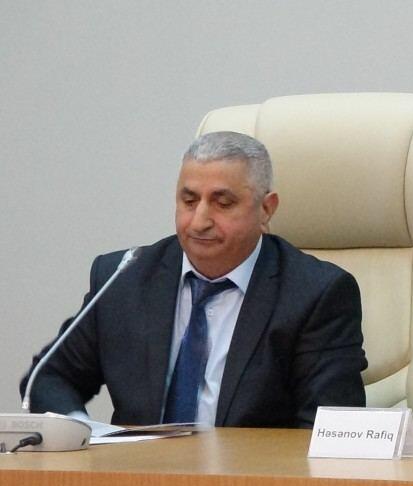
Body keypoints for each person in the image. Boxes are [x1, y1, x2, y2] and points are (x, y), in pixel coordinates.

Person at [20, 131, 367, 427]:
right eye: (189, 201)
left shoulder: (316, 294)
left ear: (266, 209)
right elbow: (48, 377)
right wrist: (78, 431)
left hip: (252, 481)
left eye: (222, 203)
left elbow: (327, 430)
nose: (199, 221)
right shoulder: (124, 279)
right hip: (136, 478)